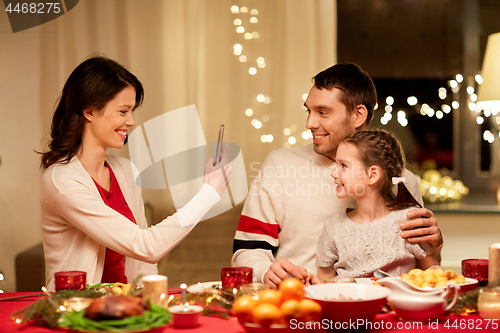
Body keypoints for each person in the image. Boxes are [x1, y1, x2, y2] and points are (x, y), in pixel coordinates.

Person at [232, 62, 443, 287]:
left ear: (358, 114)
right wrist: (265, 271)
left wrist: (435, 241)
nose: (309, 123)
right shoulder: (279, 165)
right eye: (309, 111)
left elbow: (423, 266)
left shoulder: (400, 179)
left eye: (323, 112)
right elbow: (246, 249)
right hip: (299, 305)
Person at [40, 56, 232, 291]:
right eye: (123, 111)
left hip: (124, 306)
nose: (131, 121)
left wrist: (148, 301)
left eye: (131, 111)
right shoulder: (63, 181)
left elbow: (141, 261)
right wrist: (209, 193)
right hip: (78, 311)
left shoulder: (124, 170)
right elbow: (146, 246)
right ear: (89, 111)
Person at [316, 130, 440, 282]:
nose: (334, 173)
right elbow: (323, 280)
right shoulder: (333, 227)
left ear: (372, 175)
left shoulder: (408, 221)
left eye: (343, 165)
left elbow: (431, 269)